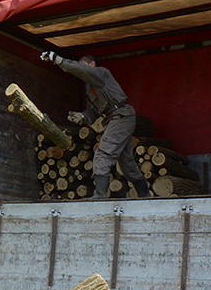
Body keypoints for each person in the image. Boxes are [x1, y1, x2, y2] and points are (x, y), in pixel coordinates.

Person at [40, 51, 150, 199]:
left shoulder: (101, 73)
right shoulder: (90, 88)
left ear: (92, 64)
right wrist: (81, 117)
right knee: (126, 162)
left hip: (122, 115)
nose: (79, 70)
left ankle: (100, 195)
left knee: (103, 153)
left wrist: (57, 59)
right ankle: (145, 195)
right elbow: (93, 113)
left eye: (82, 65)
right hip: (118, 117)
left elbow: (82, 70)